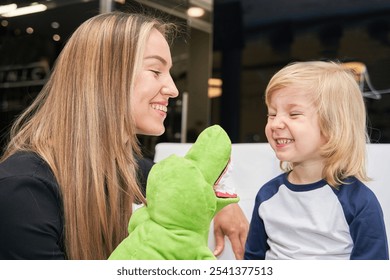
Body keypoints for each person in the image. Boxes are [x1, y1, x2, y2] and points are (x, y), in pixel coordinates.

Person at [0, 12, 248, 260]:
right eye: (155, 70)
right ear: (103, 76)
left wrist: (225, 207)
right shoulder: (22, 189)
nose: (173, 89)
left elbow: (183, 185)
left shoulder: (128, 168)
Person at [244, 61, 389, 260]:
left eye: (294, 114)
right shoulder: (268, 195)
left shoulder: (359, 202)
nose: (276, 123)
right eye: (272, 114)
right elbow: (253, 261)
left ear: (334, 127)